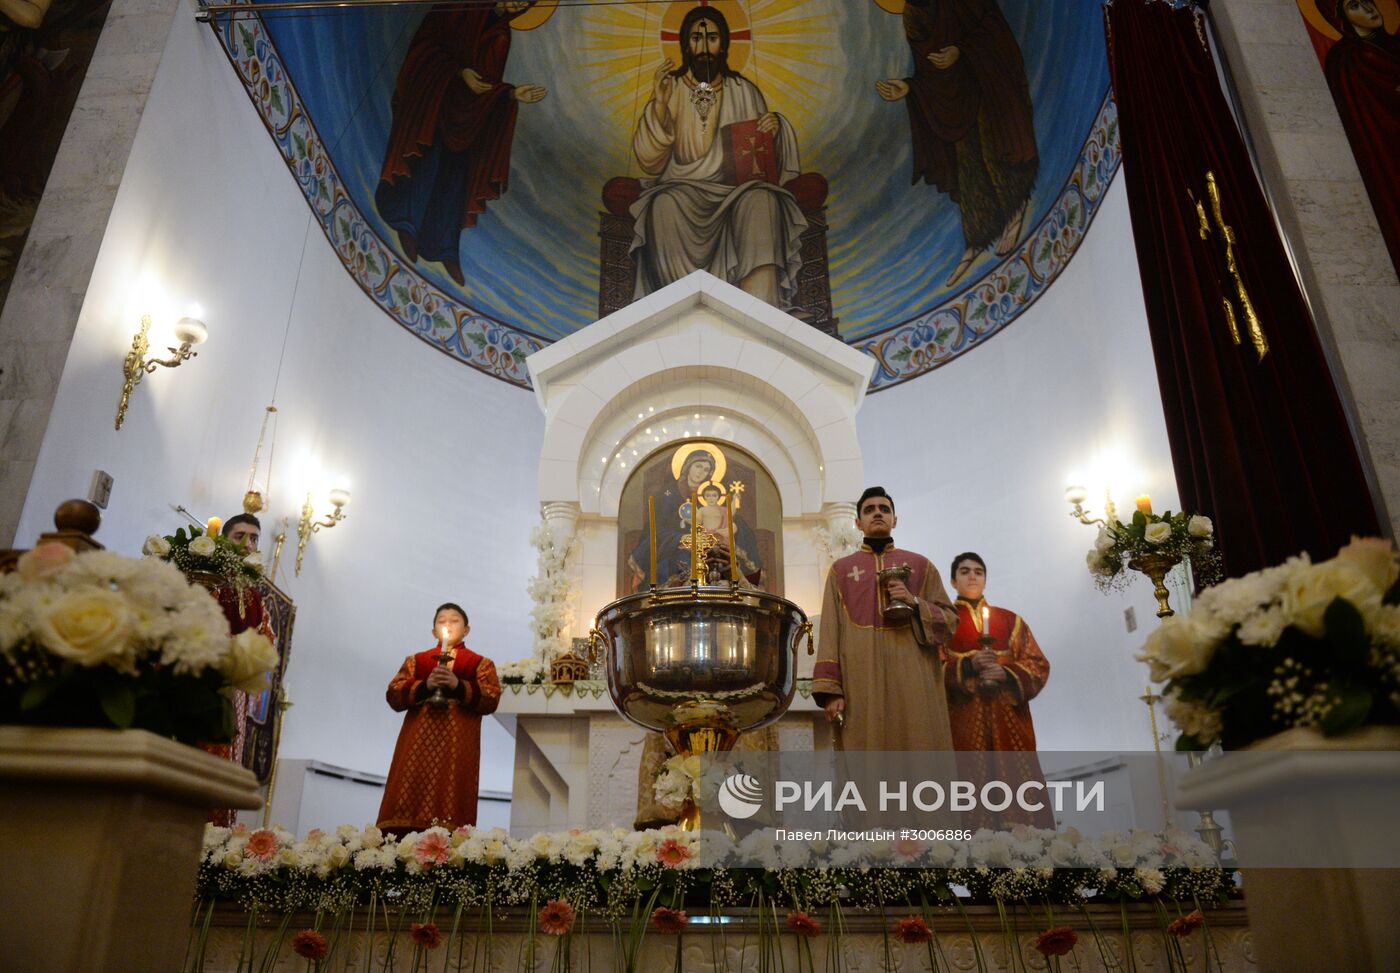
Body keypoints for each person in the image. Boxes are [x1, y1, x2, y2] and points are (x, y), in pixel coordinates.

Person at [629, 5, 807, 305]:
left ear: (724, 44)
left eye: (711, 38)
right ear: (685, 44)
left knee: (763, 200)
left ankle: (761, 310)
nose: (703, 47)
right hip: (681, 190)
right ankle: (683, 310)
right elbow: (649, 161)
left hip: (737, 191)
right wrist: (659, 105)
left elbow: (763, 159)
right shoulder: (669, 88)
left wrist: (775, 128)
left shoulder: (745, 90)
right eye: (696, 38)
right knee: (661, 207)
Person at [375, 1, 547, 286]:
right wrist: (458, 72)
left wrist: (512, 94)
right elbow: (426, 47)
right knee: (427, 163)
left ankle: (443, 248)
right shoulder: (460, 7)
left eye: (526, 2)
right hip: (436, 104)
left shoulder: (502, 36)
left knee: (456, 178)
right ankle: (407, 222)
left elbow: (487, 85)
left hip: (468, 118)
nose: (518, 3)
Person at [876, 0, 1038, 287]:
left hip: (988, 85)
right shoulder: (914, 15)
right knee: (967, 165)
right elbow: (928, 70)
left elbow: (993, 26)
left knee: (994, 149)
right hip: (954, 97)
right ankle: (978, 237)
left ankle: (1016, 205)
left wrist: (961, 50)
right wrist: (910, 87)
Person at [811, 487, 959, 751]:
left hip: (914, 676)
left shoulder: (921, 566)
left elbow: (949, 623)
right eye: (869, 510)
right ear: (858, 523)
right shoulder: (841, 571)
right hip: (860, 680)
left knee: (919, 748)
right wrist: (832, 690)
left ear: (895, 520)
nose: (877, 513)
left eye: (884, 509)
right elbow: (830, 631)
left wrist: (914, 602)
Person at [942, 552, 1053, 829]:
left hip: (1009, 722)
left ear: (985, 579)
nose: (972, 576)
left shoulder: (1010, 620)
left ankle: (1028, 851)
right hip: (964, 722)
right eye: (965, 571)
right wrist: (968, 666)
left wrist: (1006, 672)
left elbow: (1038, 664)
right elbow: (930, 670)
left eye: (978, 571)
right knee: (969, 783)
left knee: (1017, 782)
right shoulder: (943, 622)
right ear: (953, 580)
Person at [377, 603, 501, 834]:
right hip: (417, 746)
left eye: (454, 620)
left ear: (467, 630)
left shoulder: (480, 664)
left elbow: (491, 698)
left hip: (456, 748)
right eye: (441, 621)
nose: (447, 624)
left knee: (451, 797)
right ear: (434, 631)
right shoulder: (416, 661)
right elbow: (394, 694)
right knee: (407, 791)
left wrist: (458, 686)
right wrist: (425, 686)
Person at [1322, 0, 1400, 275]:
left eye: (1367, 0)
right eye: (1355, 5)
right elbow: (1366, 116)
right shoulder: (1347, 60)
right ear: (1340, 18)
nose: (1368, 8)